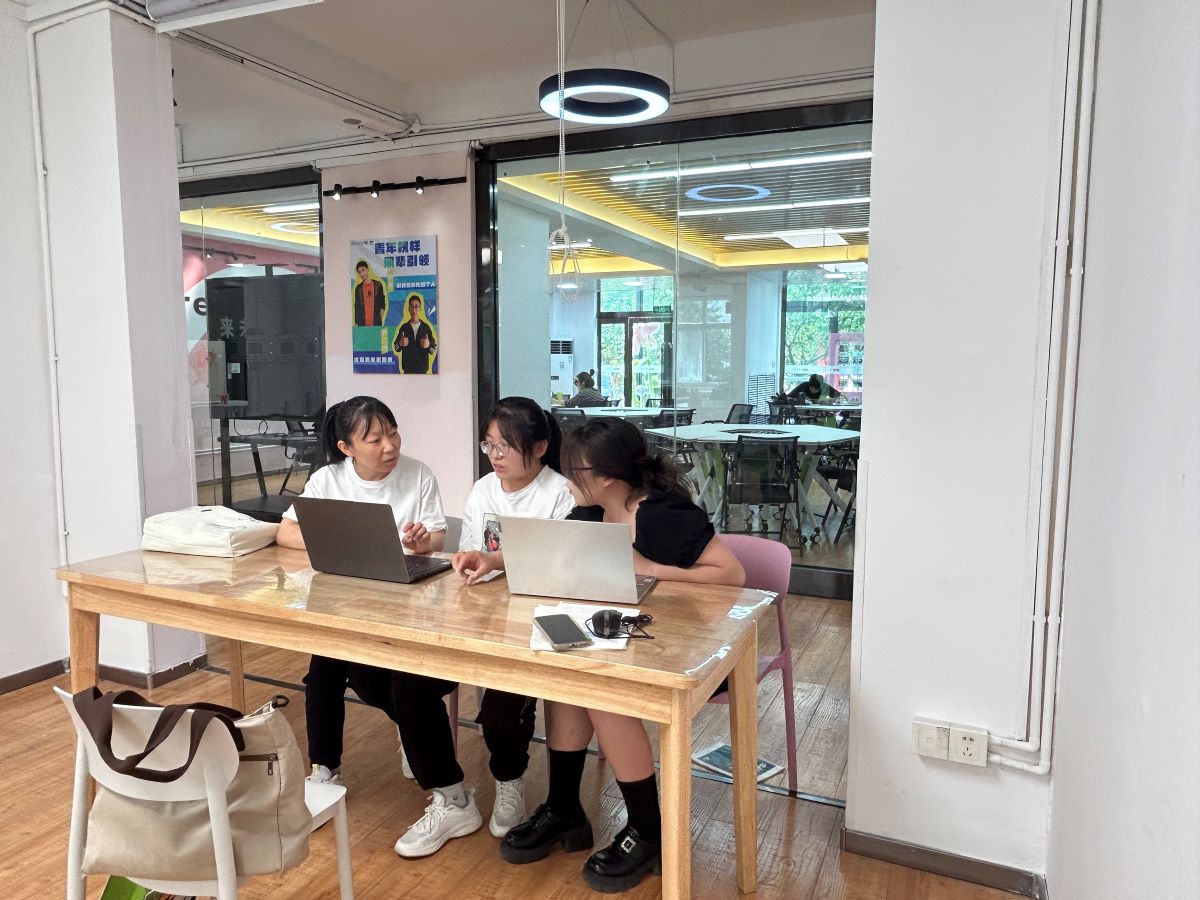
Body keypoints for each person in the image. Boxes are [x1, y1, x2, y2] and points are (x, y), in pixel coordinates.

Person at [499, 418, 744, 893]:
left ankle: (648, 831)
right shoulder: (589, 513)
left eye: (574, 472)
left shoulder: (664, 513)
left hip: (690, 645)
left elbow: (730, 573)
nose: (565, 481)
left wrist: (651, 567)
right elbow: (557, 559)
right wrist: (494, 560)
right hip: (625, 636)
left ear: (607, 477)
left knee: (601, 688)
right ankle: (564, 807)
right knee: (566, 673)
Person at [388, 397, 576, 859]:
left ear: (540, 447)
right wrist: (466, 561)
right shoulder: (483, 488)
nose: (495, 455)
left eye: (505, 446)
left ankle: (510, 781)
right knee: (408, 685)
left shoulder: (561, 494)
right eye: (489, 445)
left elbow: (561, 564)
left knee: (500, 712)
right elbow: (473, 551)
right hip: (474, 616)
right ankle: (450, 796)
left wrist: (495, 561)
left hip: (532, 623)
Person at [276, 396, 447, 787]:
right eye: (374, 439)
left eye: (393, 433)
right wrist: (342, 545)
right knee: (323, 671)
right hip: (342, 599)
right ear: (346, 447)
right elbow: (286, 532)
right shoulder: (328, 480)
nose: (389, 446)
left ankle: (411, 727)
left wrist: (424, 543)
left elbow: (437, 538)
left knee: (377, 680)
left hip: (404, 600)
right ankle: (324, 767)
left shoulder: (418, 474)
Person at [393, 292, 438, 374]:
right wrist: (400, 343)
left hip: (422, 372)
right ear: (408, 309)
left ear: (420, 308)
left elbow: (433, 349)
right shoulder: (404, 328)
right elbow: (396, 348)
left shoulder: (426, 328)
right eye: (411, 306)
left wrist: (428, 346)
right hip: (407, 372)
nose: (414, 310)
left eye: (417, 306)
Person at [352, 259, 389, 327]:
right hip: (363, 325)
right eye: (359, 272)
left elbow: (382, 303)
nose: (362, 274)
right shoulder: (358, 288)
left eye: (363, 270)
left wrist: (380, 318)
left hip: (376, 324)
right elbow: (357, 307)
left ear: (367, 269)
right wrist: (357, 324)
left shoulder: (378, 285)